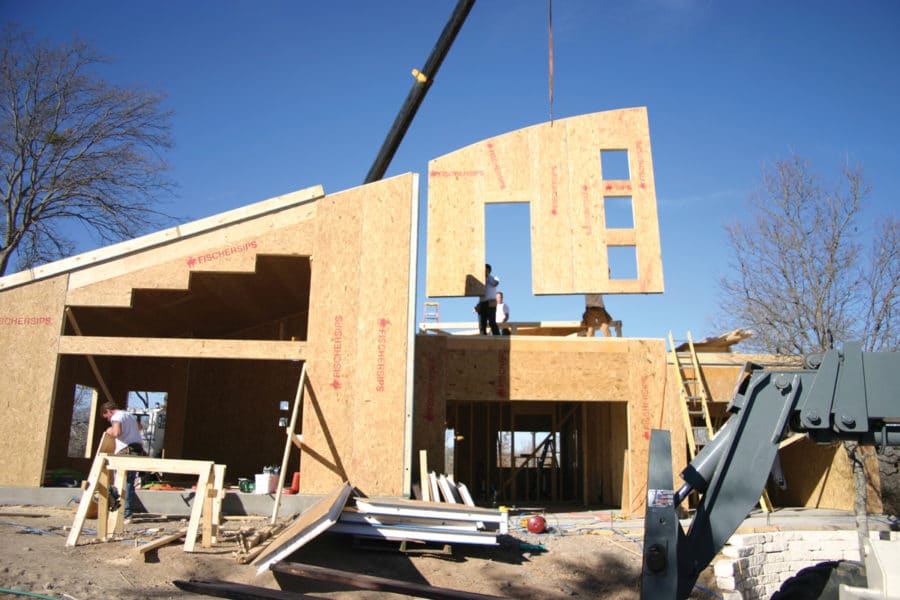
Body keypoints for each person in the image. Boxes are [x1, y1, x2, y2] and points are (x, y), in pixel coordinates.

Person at [101, 401, 145, 521]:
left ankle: (123, 513)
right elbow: (140, 427)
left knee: (122, 482)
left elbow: (116, 432)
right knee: (129, 481)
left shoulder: (116, 416)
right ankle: (126, 512)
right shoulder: (128, 415)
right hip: (137, 448)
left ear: (109, 411)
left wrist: (109, 430)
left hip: (126, 450)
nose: (109, 419)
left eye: (107, 417)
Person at [473, 264, 500, 335]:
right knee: (482, 324)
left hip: (491, 303)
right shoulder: (480, 279)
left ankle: (498, 338)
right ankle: (483, 339)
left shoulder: (494, 278)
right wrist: (477, 307)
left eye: (486, 270)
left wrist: (487, 277)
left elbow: (495, 283)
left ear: (489, 271)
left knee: (492, 322)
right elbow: (480, 296)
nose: (484, 271)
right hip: (482, 303)